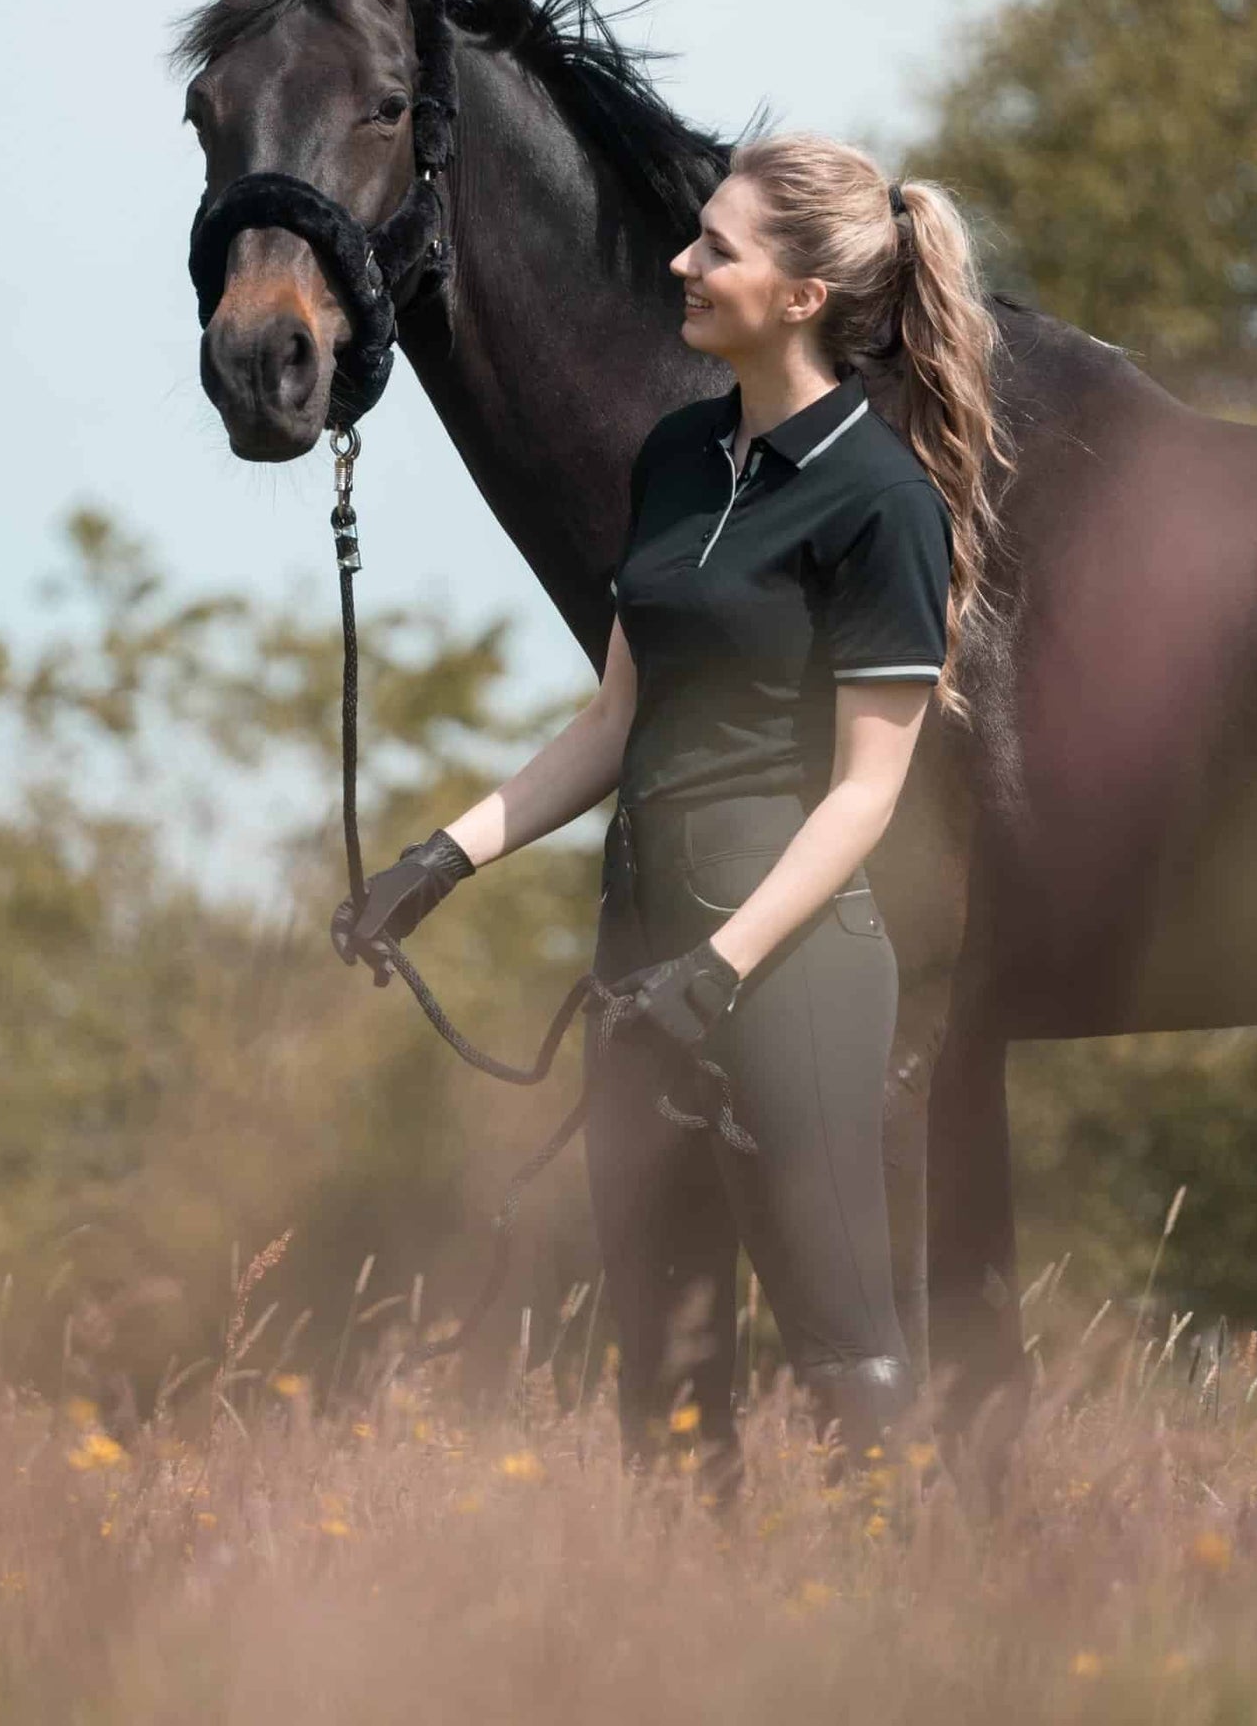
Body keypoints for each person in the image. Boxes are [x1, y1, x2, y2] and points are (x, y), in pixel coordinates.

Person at [332, 133, 1011, 1496]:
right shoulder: (679, 457)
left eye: (717, 247)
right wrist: (437, 858)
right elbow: (613, 721)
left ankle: (900, 1645)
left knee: (843, 1354)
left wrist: (723, 967)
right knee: (665, 1372)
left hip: (792, 970)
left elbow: (867, 789)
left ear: (804, 295)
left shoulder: (881, 499)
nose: (681, 263)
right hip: (638, 964)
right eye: (692, 235)